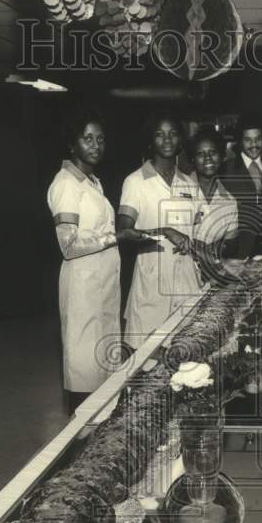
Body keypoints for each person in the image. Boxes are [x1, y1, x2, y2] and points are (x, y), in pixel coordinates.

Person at [46, 109, 121, 414]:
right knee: (83, 368)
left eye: (100, 139)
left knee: (101, 368)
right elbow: (69, 245)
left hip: (101, 286)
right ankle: (80, 447)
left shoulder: (91, 182)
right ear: (71, 143)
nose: (95, 145)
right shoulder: (65, 184)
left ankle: (97, 442)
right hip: (82, 287)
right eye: (87, 138)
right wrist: (118, 237)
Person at [117, 113, 203, 343]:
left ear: (181, 141)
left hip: (186, 280)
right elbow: (123, 232)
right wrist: (164, 231)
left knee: (186, 360)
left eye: (173, 134)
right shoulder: (135, 181)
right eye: (159, 134)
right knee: (148, 360)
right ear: (150, 140)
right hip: (152, 282)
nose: (167, 140)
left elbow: (200, 231)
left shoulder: (189, 184)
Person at [218, 112, 262, 258]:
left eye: (258, 139)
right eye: (247, 140)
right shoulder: (226, 169)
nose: (254, 145)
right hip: (238, 248)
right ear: (240, 141)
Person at [187, 125, 241, 285]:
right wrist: (198, 247)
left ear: (223, 156)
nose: (208, 158)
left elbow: (231, 243)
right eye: (200, 154)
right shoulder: (178, 190)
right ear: (192, 159)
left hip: (212, 278)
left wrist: (215, 248)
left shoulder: (230, 201)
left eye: (213, 152)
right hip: (181, 274)